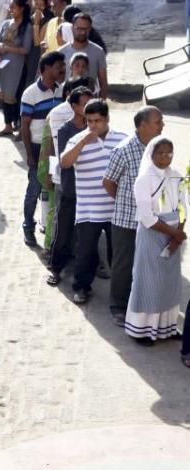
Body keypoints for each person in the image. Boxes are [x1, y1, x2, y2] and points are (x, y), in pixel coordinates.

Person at [60, 99, 127, 304]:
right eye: (89, 121)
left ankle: (121, 295)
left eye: (97, 121)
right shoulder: (77, 140)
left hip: (116, 210)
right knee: (85, 254)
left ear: (106, 119)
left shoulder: (122, 139)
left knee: (118, 256)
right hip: (88, 210)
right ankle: (81, 288)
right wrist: (83, 143)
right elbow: (65, 162)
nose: (92, 126)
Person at [103, 106, 164, 325]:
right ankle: (118, 307)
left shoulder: (159, 149)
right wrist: (125, 202)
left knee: (147, 264)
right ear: (142, 126)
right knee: (123, 264)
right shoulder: (124, 150)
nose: (162, 126)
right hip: (126, 219)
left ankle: (141, 305)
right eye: (158, 122)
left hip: (152, 220)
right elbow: (108, 182)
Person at [125, 137, 187, 344]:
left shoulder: (176, 176)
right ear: (151, 154)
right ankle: (142, 331)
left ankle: (166, 328)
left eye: (169, 153)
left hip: (173, 235)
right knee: (149, 281)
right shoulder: (144, 179)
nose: (165, 157)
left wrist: (178, 234)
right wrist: (173, 233)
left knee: (169, 283)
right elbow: (147, 217)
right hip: (153, 234)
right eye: (160, 152)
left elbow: (182, 207)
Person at [47, 85, 93, 284]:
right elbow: (66, 160)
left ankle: (86, 275)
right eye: (85, 104)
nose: (89, 108)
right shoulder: (65, 130)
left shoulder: (96, 128)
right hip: (71, 188)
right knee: (63, 232)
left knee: (88, 236)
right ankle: (56, 268)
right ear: (74, 106)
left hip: (91, 191)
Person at [20, 50, 65, 246]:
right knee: (33, 191)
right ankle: (28, 227)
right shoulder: (30, 94)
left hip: (56, 148)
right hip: (38, 149)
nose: (61, 70)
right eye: (57, 67)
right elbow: (24, 126)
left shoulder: (60, 90)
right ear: (45, 68)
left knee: (54, 191)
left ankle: (50, 225)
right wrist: (29, 154)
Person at [0, 0, 32, 137]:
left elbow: (25, 49)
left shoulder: (27, 27)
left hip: (17, 66)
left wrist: (7, 49)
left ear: (21, 9)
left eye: (13, 7)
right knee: (4, 96)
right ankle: (7, 125)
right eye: (10, 6)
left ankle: (19, 126)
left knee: (15, 95)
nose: (10, 9)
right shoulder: (5, 23)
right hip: (2, 65)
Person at [59, 13, 107, 98]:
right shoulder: (61, 52)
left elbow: (103, 84)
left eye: (86, 29)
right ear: (72, 28)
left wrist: (100, 105)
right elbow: (57, 82)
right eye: (78, 28)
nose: (82, 32)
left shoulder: (98, 52)